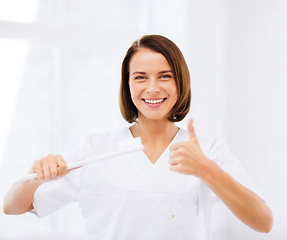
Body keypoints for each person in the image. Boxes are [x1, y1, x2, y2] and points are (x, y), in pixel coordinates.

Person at [3, 35, 273, 240]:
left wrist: (207, 170)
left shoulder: (207, 150)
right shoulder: (94, 149)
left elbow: (264, 222)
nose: (153, 88)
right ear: (128, 84)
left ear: (181, 82)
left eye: (165, 76)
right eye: (140, 77)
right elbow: (13, 206)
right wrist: (36, 175)